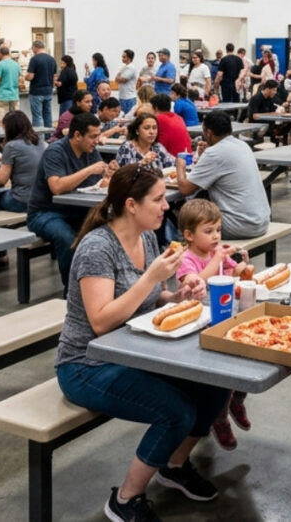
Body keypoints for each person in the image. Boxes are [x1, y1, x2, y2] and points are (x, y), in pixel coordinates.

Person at [54, 166, 225, 521]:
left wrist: (175, 296)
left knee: (214, 387)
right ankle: (125, 499)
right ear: (131, 205)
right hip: (86, 365)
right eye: (158, 199)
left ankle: (174, 466)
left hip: (135, 351)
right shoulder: (97, 248)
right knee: (176, 412)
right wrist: (151, 278)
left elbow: (150, 299)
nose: (167, 205)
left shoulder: (146, 238)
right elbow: (101, 322)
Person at [173, 199, 254, 451]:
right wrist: (216, 259)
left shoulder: (215, 253)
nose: (216, 236)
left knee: (246, 359)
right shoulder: (186, 259)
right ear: (189, 235)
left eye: (218, 230)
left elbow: (236, 270)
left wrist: (243, 265)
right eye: (208, 231)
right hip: (198, 324)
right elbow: (194, 282)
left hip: (226, 316)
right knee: (221, 375)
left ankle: (236, 399)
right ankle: (219, 418)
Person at [28, 112, 115, 287]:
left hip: (77, 210)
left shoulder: (90, 151)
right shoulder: (55, 151)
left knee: (111, 228)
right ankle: (71, 289)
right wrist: (89, 170)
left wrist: (109, 174)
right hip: (46, 212)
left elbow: (100, 181)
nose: (97, 141)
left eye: (98, 135)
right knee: (67, 239)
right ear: (77, 135)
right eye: (93, 136)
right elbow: (57, 187)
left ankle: (104, 283)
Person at [174, 113, 270, 239]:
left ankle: (182, 246)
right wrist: (205, 155)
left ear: (208, 133)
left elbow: (185, 189)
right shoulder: (242, 145)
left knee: (189, 212)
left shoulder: (214, 153)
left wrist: (180, 165)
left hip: (240, 225)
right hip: (261, 221)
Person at [0, 110, 44, 214]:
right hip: (42, 198)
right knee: (1, 192)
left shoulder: (11, 146)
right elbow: (23, 157)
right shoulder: (40, 141)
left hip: (23, 201)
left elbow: (2, 179)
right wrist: (3, 157)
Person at [247, 79, 291, 144]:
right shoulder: (256, 98)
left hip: (269, 124)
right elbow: (254, 116)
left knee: (289, 124)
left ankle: (282, 142)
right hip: (258, 126)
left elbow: (273, 111)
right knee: (273, 130)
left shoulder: (269, 98)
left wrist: (282, 112)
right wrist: (271, 114)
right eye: (274, 90)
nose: (275, 92)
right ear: (267, 89)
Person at [147, 94, 192, 159]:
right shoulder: (179, 118)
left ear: (155, 108)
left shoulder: (157, 120)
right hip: (187, 157)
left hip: (170, 160)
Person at [25, 40, 57, 128]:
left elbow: (30, 76)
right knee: (47, 115)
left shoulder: (34, 59)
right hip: (48, 91)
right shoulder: (52, 59)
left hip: (36, 92)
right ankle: (48, 134)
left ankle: (39, 135)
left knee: (37, 116)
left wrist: (25, 77)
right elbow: (54, 77)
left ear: (35, 47)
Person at [115, 50, 141, 116]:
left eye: (124, 57)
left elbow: (124, 80)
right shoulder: (124, 67)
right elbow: (116, 79)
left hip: (129, 97)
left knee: (129, 117)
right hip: (122, 97)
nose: (122, 58)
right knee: (122, 116)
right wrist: (118, 78)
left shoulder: (131, 67)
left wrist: (118, 77)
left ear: (129, 58)